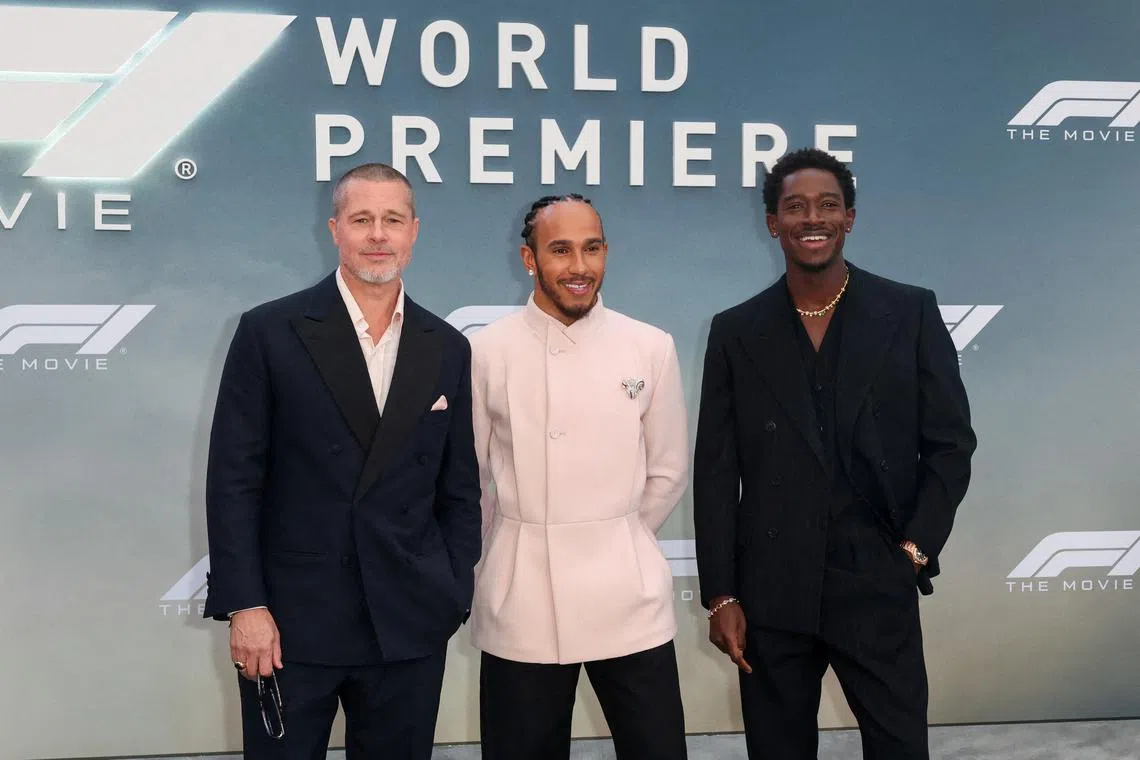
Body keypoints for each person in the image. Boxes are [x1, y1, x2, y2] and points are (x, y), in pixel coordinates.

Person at [693, 148, 976, 759]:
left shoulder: (909, 312)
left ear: (850, 217)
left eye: (827, 205)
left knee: (900, 748)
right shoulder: (736, 331)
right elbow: (715, 473)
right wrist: (721, 594)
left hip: (878, 578)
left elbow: (951, 445)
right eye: (794, 207)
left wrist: (915, 550)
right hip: (770, 592)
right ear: (772, 222)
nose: (810, 218)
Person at [203, 162, 480, 759]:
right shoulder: (270, 331)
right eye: (362, 219)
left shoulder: (448, 347)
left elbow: (459, 490)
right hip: (289, 625)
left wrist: (452, 591)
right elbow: (233, 481)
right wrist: (246, 605)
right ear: (335, 229)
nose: (377, 234)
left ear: (414, 231)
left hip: (406, 623)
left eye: (392, 220)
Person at [469, 194, 690, 760]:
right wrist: (509, 550)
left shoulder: (649, 346)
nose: (579, 266)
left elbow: (667, 470)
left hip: (628, 597)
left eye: (591, 248)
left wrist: (615, 535)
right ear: (529, 259)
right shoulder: (484, 351)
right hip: (522, 598)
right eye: (560, 250)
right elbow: (470, 481)